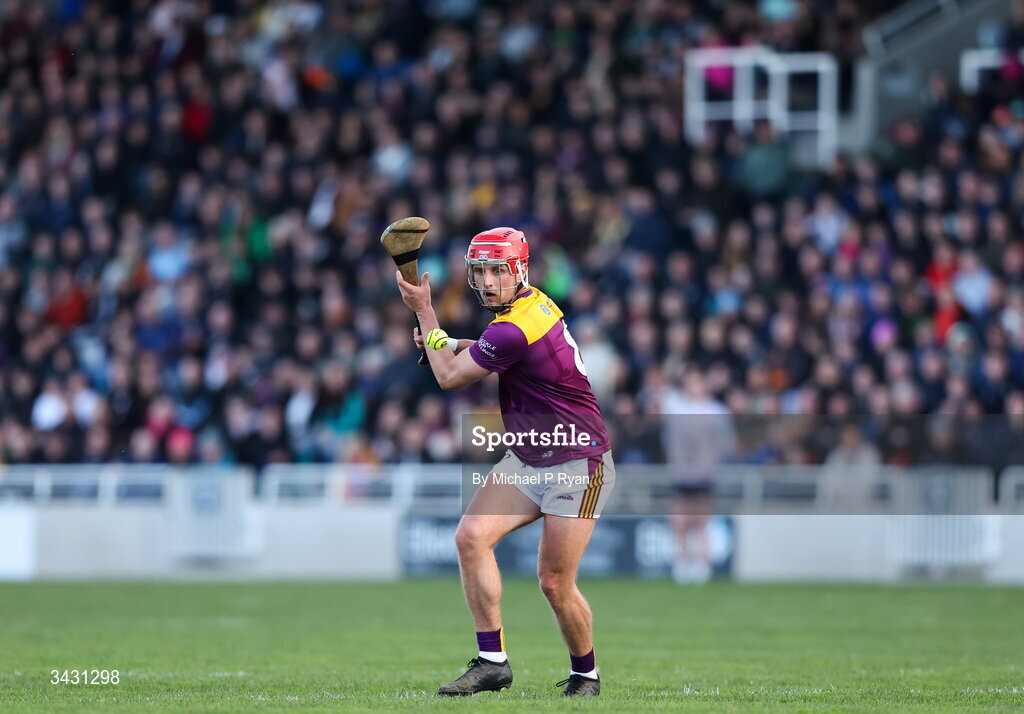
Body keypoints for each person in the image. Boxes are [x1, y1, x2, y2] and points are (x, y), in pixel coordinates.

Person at [396, 227, 615, 697]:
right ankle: (492, 662)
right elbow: (492, 346)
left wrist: (425, 312)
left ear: (519, 271)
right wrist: (448, 342)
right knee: (470, 538)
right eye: (482, 271)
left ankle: (586, 675)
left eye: (499, 270)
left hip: (578, 458)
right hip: (529, 455)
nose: (490, 281)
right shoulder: (527, 307)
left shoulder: (513, 327)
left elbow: (452, 377)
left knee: (554, 582)